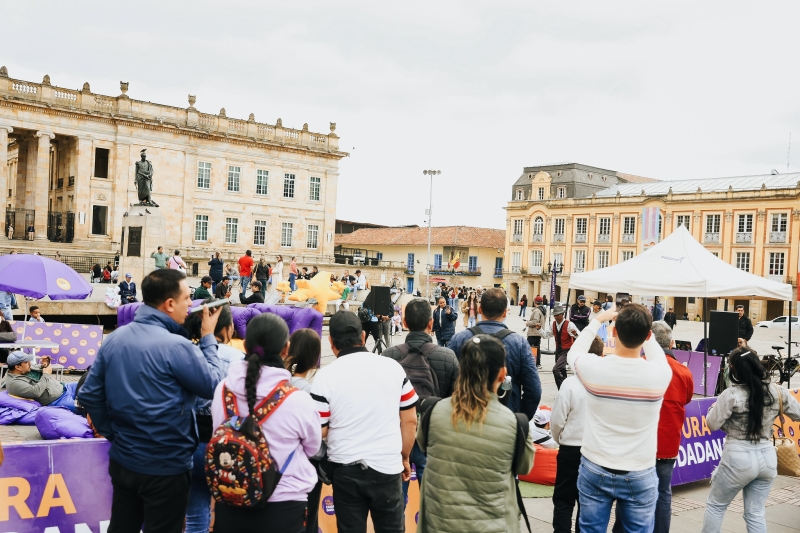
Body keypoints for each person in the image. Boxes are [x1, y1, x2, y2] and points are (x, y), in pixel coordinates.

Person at [79, 268, 224, 533]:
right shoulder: (177, 346)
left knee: (122, 526)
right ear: (169, 304)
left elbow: (89, 394)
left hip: (124, 459)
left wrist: (114, 434)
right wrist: (207, 337)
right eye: (186, 298)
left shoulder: (115, 339)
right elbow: (213, 384)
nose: (191, 304)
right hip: (166, 466)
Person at [211, 313, 321, 533]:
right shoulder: (297, 398)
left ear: (244, 344)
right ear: (286, 349)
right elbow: (313, 447)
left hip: (232, 498)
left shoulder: (223, 390)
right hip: (284, 507)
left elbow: (217, 433)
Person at [310, 311, 419, 532]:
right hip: (387, 468)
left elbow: (318, 431)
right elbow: (409, 421)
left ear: (331, 342)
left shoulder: (324, 377)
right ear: (363, 336)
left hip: (345, 470)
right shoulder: (393, 368)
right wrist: (405, 457)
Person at [567, 305, 671, 533]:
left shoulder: (595, 368)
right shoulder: (659, 374)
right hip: (639, 469)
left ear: (613, 333)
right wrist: (647, 332)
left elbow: (573, 353)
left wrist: (598, 320)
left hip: (596, 465)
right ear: (646, 336)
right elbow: (657, 355)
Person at [415, 334, 535, 533]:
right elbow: (524, 466)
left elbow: (423, 445)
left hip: (439, 525)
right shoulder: (515, 424)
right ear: (502, 374)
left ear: (461, 370)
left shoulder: (432, 412)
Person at [701, 347, 800, 532]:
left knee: (716, 505)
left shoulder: (731, 395)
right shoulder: (777, 391)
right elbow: (798, 414)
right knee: (755, 513)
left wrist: (712, 410)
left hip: (737, 457)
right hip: (768, 457)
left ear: (733, 368)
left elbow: (712, 424)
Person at [612, 320, 693, 533]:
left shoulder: (640, 366)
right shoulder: (684, 373)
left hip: (638, 445)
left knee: (628, 491)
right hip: (667, 446)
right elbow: (686, 399)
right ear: (672, 343)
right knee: (663, 494)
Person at [383, 298, 460, 500]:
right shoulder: (448, 356)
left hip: (396, 438)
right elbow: (456, 404)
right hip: (433, 438)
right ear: (431, 323)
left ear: (405, 323)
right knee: (434, 505)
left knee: (395, 505)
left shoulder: (389, 355)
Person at [182, 298, 243, 533]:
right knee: (229, 514)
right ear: (226, 328)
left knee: (196, 515)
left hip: (192, 445)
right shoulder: (238, 359)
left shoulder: (187, 353)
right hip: (225, 447)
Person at [449, 287, 541, 420]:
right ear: (505, 313)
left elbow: (448, 380)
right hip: (506, 415)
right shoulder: (519, 343)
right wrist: (520, 418)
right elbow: (534, 390)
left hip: (463, 415)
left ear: (480, 310)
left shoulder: (459, 339)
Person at [551, 335, 602, 533]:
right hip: (594, 450)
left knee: (564, 498)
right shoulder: (605, 386)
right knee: (588, 501)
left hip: (570, 448)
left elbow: (556, 421)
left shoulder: (570, 384)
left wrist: (560, 439)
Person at [282, 328, 323, 533]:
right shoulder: (310, 391)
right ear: (315, 357)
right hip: (304, 468)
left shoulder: (279, 384)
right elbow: (315, 443)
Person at [4, 351, 78, 410]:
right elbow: (36, 392)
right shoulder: (14, 383)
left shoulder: (25, 368)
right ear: (18, 367)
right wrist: (46, 374)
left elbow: (40, 367)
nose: (30, 363)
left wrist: (46, 363)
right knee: (84, 408)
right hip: (57, 400)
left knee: (87, 385)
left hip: (65, 387)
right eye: (26, 362)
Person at [552, 305, 579, 389]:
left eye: (557, 315)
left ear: (562, 314)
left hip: (567, 351)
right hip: (558, 351)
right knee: (562, 372)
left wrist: (575, 334)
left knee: (556, 369)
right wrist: (539, 329)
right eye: (554, 315)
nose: (555, 317)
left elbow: (579, 336)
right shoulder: (553, 324)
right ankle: (567, 390)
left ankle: (561, 390)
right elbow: (546, 335)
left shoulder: (569, 324)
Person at [526, 296, 547, 369]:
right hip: (539, 332)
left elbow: (535, 321)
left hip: (533, 332)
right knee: (537, 347)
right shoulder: (543, 310)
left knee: (530, 347)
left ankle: (532, 363)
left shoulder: (537, 311)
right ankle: (538, 363)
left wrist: (528, 323)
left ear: (535, 302)